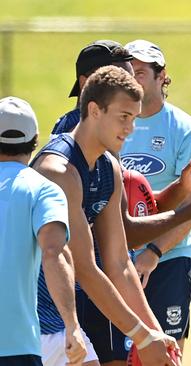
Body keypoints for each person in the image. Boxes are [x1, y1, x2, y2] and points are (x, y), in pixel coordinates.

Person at [31, 66, 184, 366]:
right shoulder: (58, 171)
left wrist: (154, 331)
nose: (130, 128)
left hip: (61, 320)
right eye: (123, 117)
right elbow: (86, 268)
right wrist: (141, 336)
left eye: (134, 119)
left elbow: (118, 263)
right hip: (24, 320)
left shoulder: (108, 169)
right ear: (94, 110)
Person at [118, 38, 191, 355]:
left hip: (169, 259)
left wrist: (154, 251)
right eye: (128, 70)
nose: (132, 77)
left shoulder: (186, 130)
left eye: (141, 71)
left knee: (166, 352)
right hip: (115, 258)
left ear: (162, 76)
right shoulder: (110, 124)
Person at [0, 96, 86, 366]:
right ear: (36, 140)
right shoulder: (44, 190)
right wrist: (72, 325)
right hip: (17, 346)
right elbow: (54, 252)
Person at [51, 40, 134, 138]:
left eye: (132, 79)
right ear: (85, 83)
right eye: (119, 82)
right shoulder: (82, 133)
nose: (132, 88)